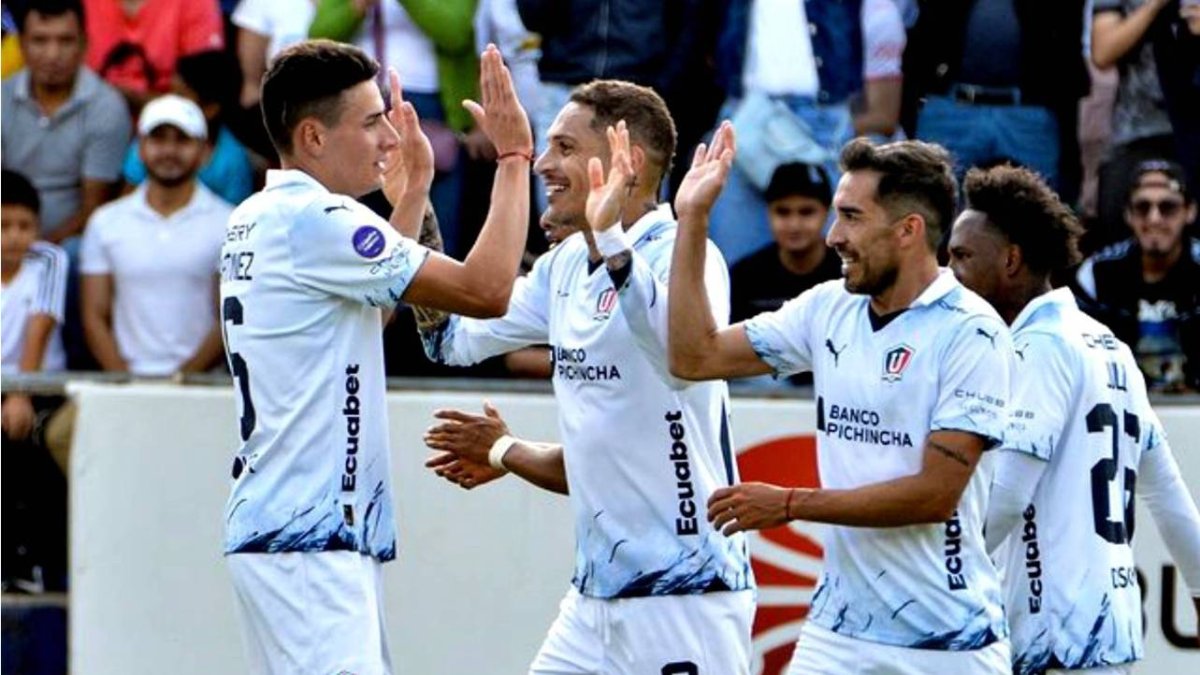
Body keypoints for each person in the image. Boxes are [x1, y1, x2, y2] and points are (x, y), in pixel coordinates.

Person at [419, 81, 755, 673]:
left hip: (686, 594)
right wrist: (414, 201)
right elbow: (449, 339)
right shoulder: (563, 268)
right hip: (594, 600)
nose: (545, 164)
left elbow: (680, 357)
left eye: (564, 147)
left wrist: (608, 241)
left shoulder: (686, 251)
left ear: (629, 161)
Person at [220, 40, 531, 674]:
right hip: (310, 538)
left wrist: (411, 194)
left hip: (294, 531)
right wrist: (513, 157)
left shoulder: (260, 214)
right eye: (371, 121)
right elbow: (487, 290)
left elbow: (373, 311)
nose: (390, 136)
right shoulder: (318, 220)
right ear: (312, 136)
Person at [669, 135, 1013, 673]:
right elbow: (694, 356)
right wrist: (692, 221)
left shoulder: (972, 333)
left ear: (908, 230)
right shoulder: (828, 308)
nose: (833, 237)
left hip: (947, 642)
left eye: (851, 217)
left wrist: (788, 505)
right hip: (838, 634)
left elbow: (933, 496)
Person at [946, 164, 1200, 674]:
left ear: (1011, 260)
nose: (949, 273)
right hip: (1112, 630)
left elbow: (1009, 498)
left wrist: (936, 574)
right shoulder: (1109, 346)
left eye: (962, 256)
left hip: (1053, 636)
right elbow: (1170, 498)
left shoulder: (1037, 348)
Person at [79, 94, 230, 377]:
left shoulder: (230, 223)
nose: (169, 151)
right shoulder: (106, 222)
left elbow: (228, 316)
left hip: (204, 388)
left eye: (182, 140)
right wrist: (126, 382)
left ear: (203, 149)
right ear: (140, 148)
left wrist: (183, 380)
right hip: (124, 386)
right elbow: (94, 315)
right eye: (159, 139)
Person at [1, 0, 130, 243]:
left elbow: (94, 207)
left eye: (65, 41)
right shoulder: (1, 98)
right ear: (21, 45)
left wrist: (38, 252)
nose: (52, 54)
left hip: (73, 242)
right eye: (40, 40)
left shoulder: (107, 107)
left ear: (84, 45)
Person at [1, 168, 70, 594]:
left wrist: (19, 394)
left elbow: (38, 329)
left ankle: (37, 565)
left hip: (39, 389)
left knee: (30, 456)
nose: (14, 238)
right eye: (3, 226)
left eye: (24, 226)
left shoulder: (48, 259)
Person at [1073, 159, 1199, 392]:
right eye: (1142, 207)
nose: (1154, 219)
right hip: (1120, 404)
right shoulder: (1097, 273)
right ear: (1128, 215)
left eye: (1167, 207)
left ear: (1189, 212)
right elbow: (1080, 360)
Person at [730, 161, 841, 324]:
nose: (794, 225)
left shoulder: (848, 273)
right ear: (768, 212)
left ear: (827, 213)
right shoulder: (745, 277)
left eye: (806, 212)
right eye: (783, 212)